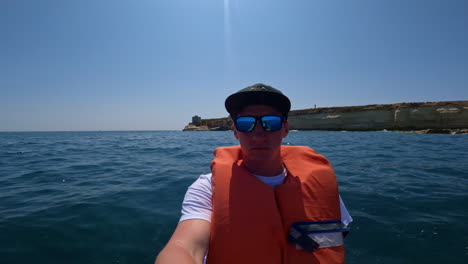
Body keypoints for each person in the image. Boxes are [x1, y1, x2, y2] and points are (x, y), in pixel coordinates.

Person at [156, 83, 352, 264]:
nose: (258, 134)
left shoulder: (320, 188)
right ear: (235, 131)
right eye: (246, 123)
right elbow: (184, 248)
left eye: (271, 122)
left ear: (285, 129)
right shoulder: (207, 188)